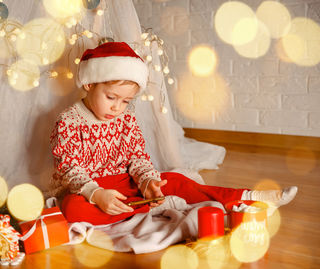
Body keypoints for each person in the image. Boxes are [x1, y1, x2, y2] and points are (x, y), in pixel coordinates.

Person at [49, 42, 297, 225]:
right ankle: (155, 206)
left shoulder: (125, 119)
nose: (117, 107)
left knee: (175, 181)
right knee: (72, 210)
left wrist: (147, 182)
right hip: (91, 188)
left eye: (126, 101)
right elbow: (69, 168)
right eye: (111, 97)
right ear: (90, 84)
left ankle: (250, 197)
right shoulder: (69, 121)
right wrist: (96, 193)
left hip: (126, 186)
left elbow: (137, 158)